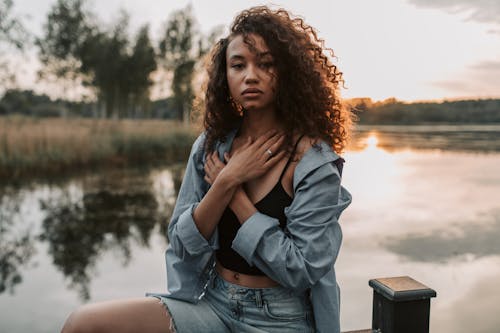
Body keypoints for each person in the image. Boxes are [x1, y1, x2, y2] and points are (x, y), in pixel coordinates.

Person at [61, 5, 352, 333]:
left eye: (266, 64)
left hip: (281, 318)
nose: (250, 75)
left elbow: (300, 268)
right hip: (214, 303)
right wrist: (225, 181)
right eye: (238, 65)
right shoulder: (211, 147)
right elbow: (182, 249)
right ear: (225, 76)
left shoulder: (313, 162)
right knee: (82, 324)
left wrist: (237, 196)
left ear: (288, 73)